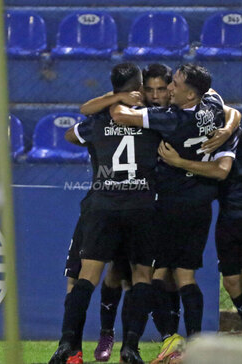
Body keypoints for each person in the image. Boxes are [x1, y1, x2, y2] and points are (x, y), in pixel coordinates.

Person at [110, 64, 241, 362]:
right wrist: (226, 130)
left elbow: (119, 115)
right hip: (200, 204)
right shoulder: (212, 106)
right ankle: (195, 346)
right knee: (184, 275)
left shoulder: (171, 118)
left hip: (168, 205)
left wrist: (125, 96)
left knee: (153, 273)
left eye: (175, 85)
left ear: (190, 93)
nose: (169, 88)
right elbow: (232, 110)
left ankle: (171, 338)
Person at [50, 63, 162, 364]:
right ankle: (131, 347)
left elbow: (72, 136)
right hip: (140, 204)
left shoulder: (98, 119)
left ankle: (67, 345)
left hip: (103, 204)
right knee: (140, 276)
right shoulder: (151, 118)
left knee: (87, 277)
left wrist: (111, 102)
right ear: (138, 85)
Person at [75, 63, 178, 362]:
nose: (154, 94)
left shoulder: (154, 116)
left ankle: (140, 343)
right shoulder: (119, 111)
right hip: (119, 206)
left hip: (142, 205)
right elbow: (81, 119)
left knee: (141, 276)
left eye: (160, 90)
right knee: (114, 274)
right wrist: (117, 100)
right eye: (150, 89)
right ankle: (109, 334)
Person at [158, 125, 242, 344]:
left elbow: (221, 170)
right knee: (231, 282)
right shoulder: (193, 127)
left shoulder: (222, 128)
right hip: (228, 211)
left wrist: (179, 162)